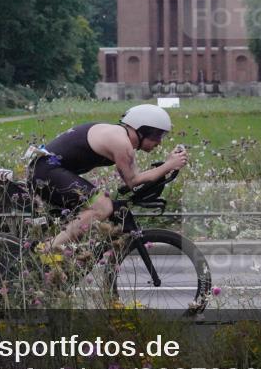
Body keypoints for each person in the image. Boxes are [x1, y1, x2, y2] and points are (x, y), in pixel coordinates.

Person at [32, 104, 187, 256]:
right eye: (157, 135)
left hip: (47, 170)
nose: (159, 142)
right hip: (47, 172)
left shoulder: (120, 136)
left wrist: (167, 165)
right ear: (142, 130)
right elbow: (133, 181)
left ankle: (65, 255)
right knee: (102, 207)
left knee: (97, 209)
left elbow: (136, 176)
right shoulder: (121, 142)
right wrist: (168, 165)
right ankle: (49, 249)